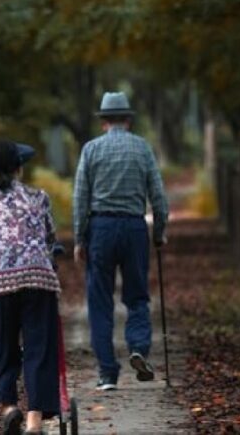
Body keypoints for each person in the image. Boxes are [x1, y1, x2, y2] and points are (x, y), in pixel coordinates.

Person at [72, 91, 169, 391]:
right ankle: (138, 346)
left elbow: (80, 197)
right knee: (137, 295)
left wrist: (79, 237)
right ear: (128, 120)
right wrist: (158, 232)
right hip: (133, 227)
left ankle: (107, 374)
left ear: (104, 122)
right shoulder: (142, 149)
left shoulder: (90, 150)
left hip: (100, 227)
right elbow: (159, 197)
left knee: (100, 301)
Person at [0, 141, 60, 435]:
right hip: (37, 280)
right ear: (19, 168)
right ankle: (35, 421)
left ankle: (9, 407)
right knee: (39, 348)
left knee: (3, 346)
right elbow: (50, 237)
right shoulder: (39, 197)